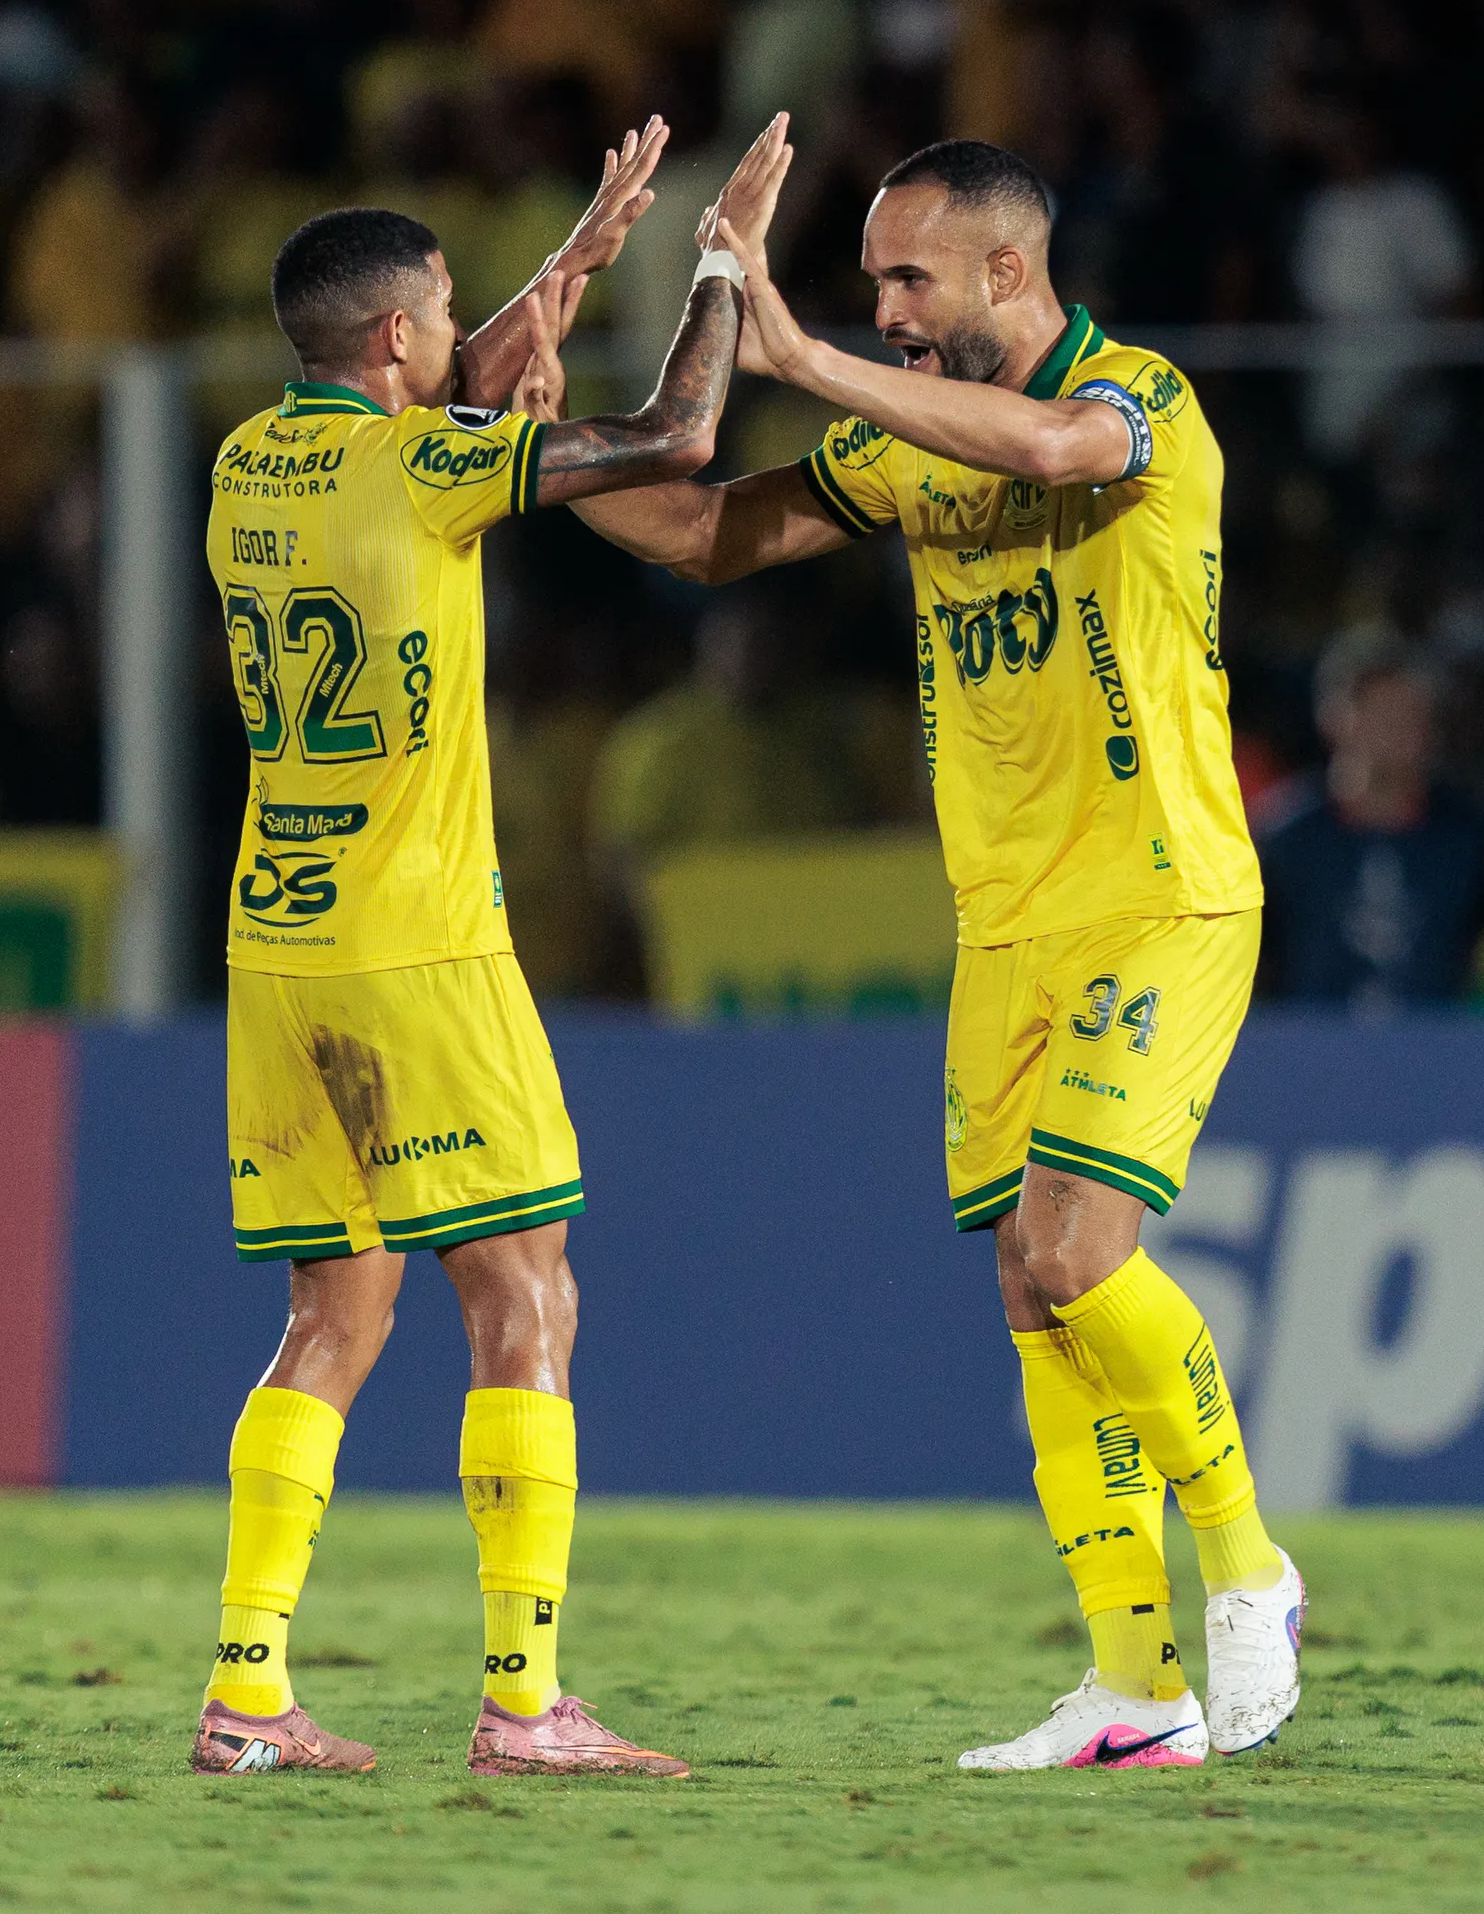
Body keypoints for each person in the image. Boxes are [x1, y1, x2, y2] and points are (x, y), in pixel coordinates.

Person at [572, 137, 1303, 1770]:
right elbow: (703, 533)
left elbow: (1054, 442)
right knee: (1027, 1293)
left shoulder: (1143, 406)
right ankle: (1134, 1689)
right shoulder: (905, 449)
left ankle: (1252, 1569)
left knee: (1079, 1252)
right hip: (1006, 927)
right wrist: (505, 457)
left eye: (910, 282)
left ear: (1006, 275)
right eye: (868, 286)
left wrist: (804, 354)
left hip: (1160, 898)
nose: (887, 313)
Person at [191, 114, 790, 1780]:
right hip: (424, 949)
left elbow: (457, 394)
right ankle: (526, 1707)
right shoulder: (426, 470)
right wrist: (717, 269)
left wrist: (577, 256)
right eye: (442, 314)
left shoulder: (249, 463)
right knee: (527, 1296)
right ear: (396, 340)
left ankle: (247, 1694)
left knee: (334, 1316)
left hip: (280, 945)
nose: (464, 339)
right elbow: (674, 436)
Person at [1256, 627, 1484, 1011]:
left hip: (1432, 1059)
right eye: (1382, 712)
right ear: (1335, 717)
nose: (1399, 732)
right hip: (1308, 1059)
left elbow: (1473, 948)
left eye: (1413, 714)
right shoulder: (1287, 837)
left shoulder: (1464, 839)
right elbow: (1264, 962)